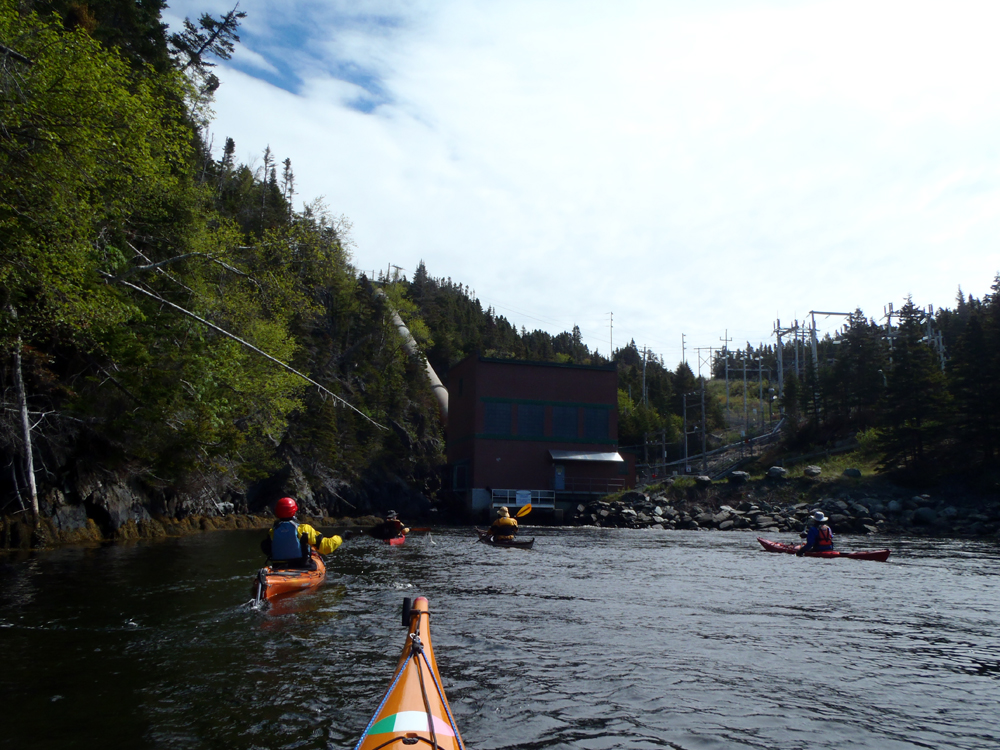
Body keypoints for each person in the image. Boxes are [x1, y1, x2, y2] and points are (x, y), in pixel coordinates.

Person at [261, 496, 346, 568]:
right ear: (294, 511)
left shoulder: (272, 531)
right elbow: (325, 547)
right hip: (302, 567)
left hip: (278, 568)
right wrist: (341, 537)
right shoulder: (303, 529)